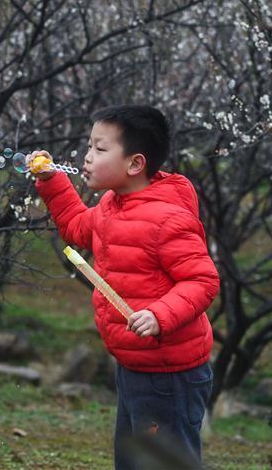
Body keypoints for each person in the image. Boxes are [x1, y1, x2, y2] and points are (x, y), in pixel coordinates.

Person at [29, 105, 219, 469]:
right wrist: (52, 181)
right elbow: (77, 227)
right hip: (134, 365)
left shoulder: (167, 219)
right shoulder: (112, 206)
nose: (86, 157)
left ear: (135, 164)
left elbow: (202, 279)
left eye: (100, 150)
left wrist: (159, 315)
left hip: (170, 374)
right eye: (89, 147)